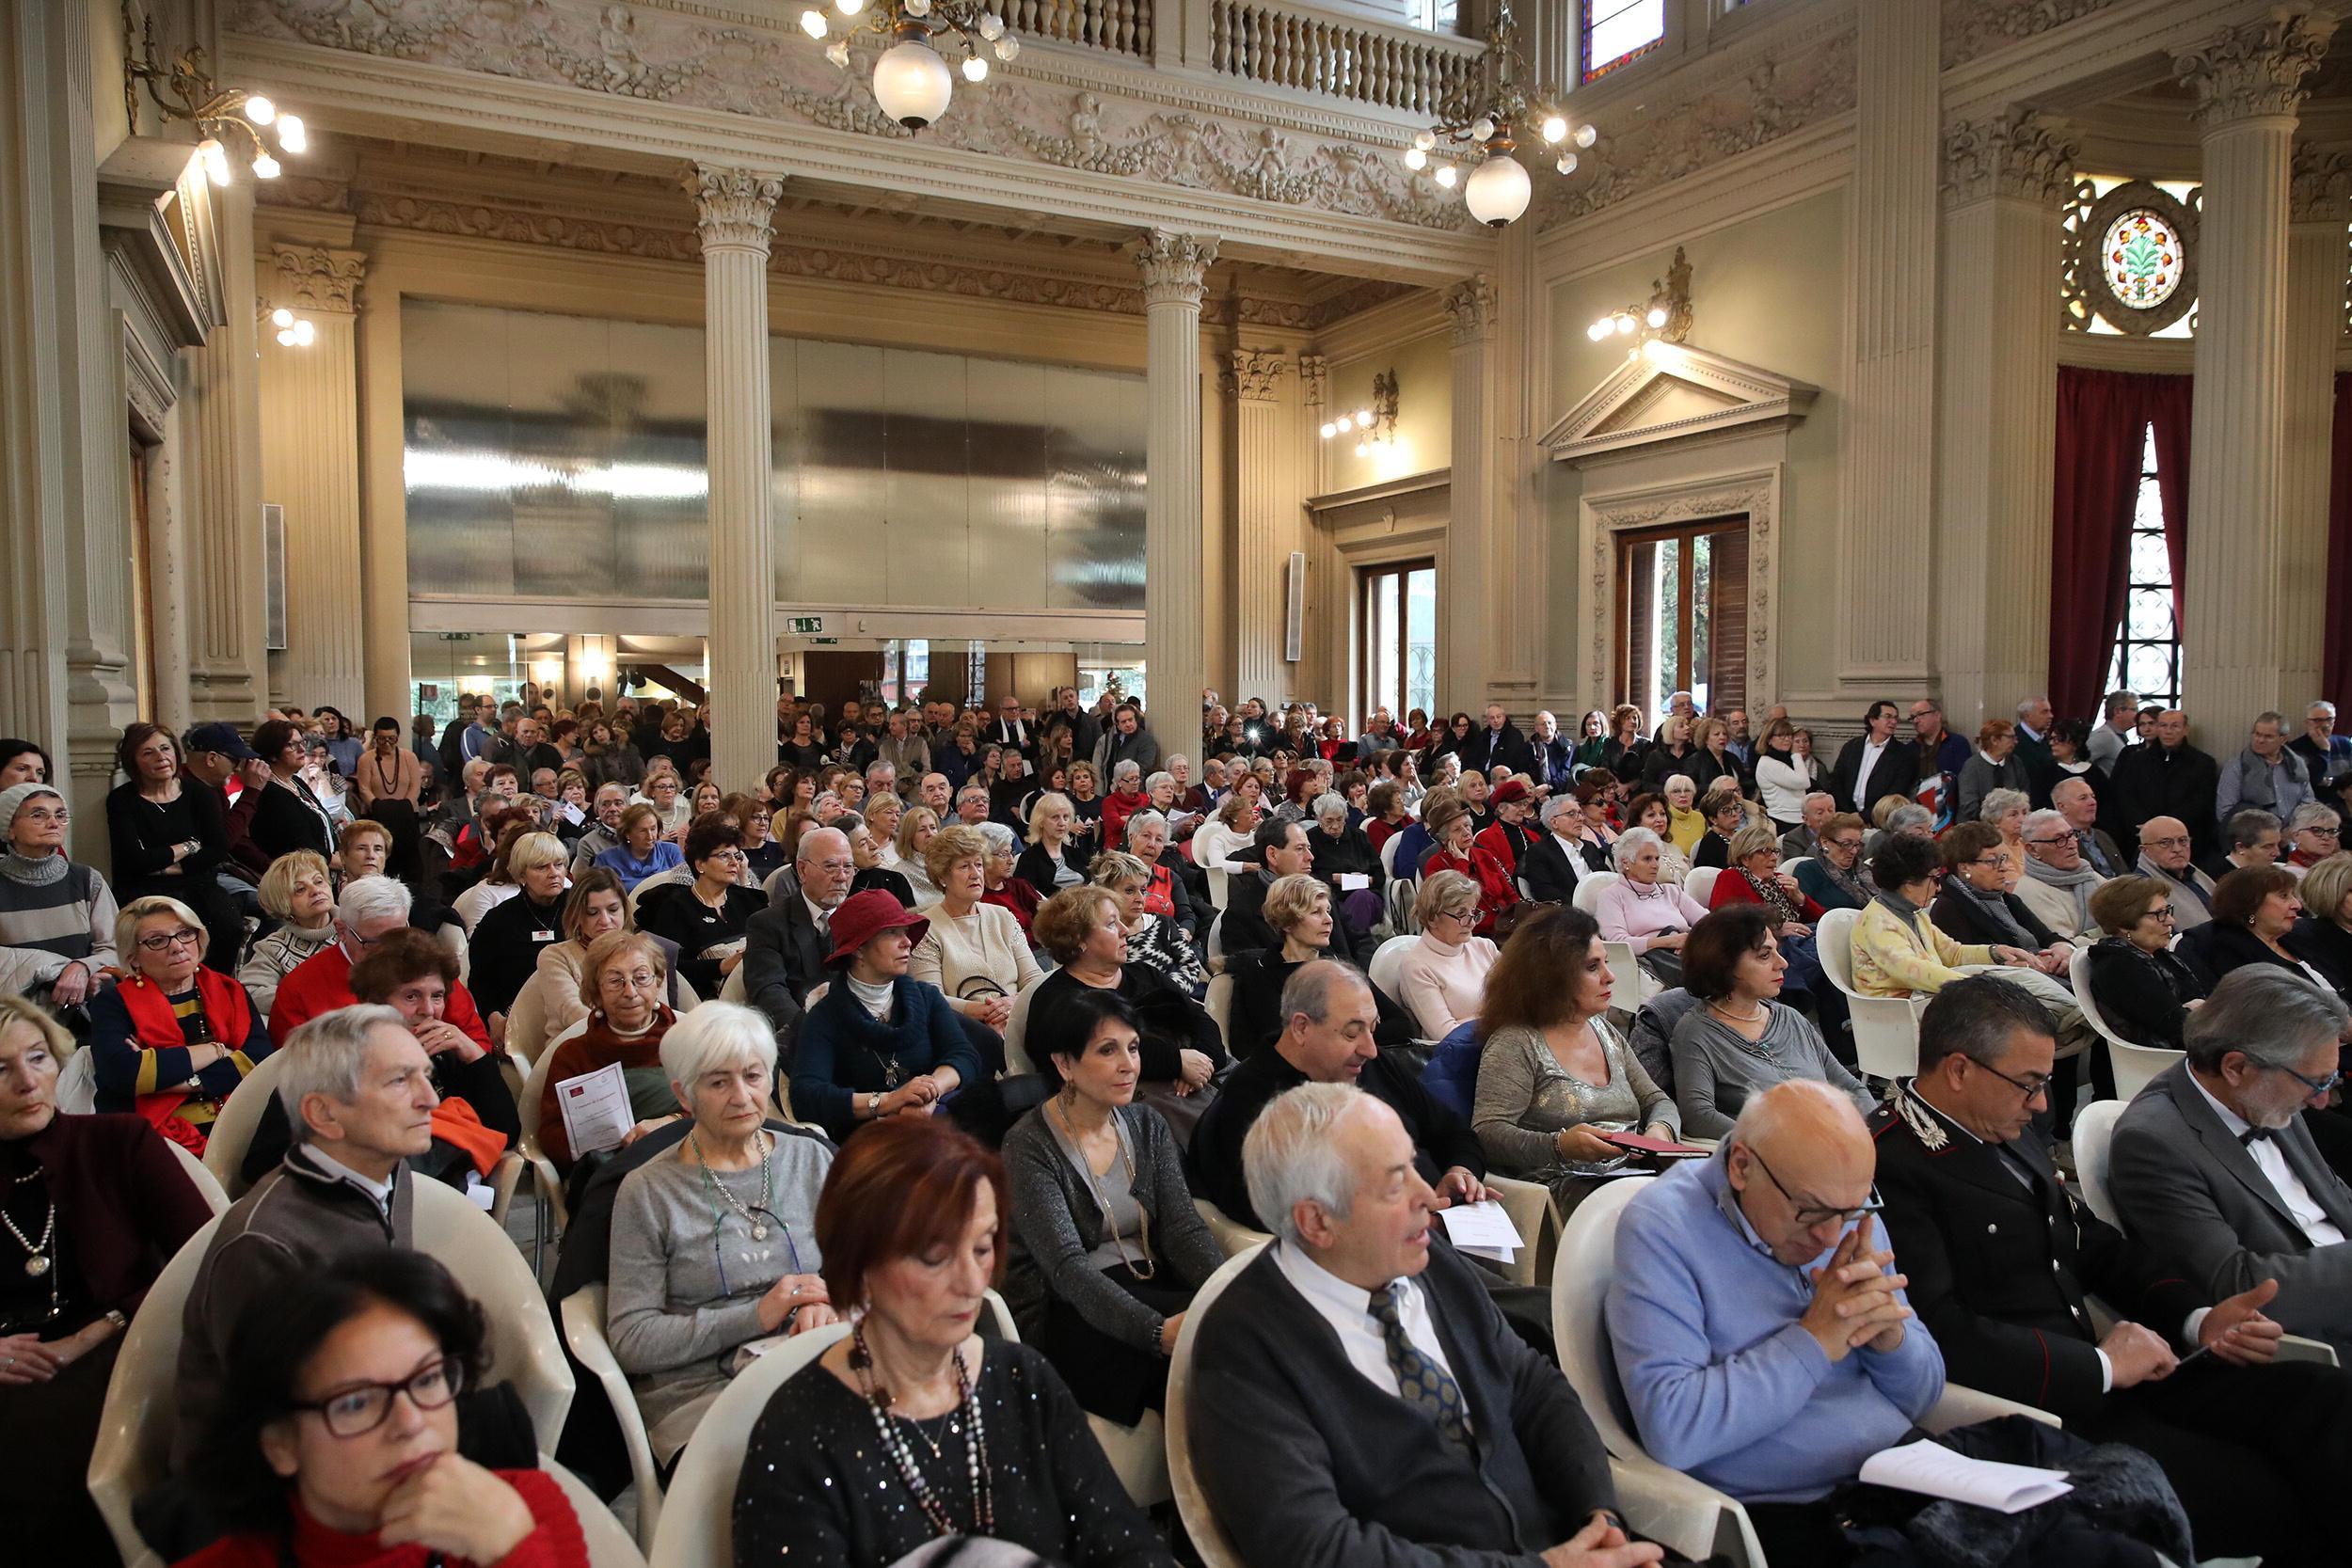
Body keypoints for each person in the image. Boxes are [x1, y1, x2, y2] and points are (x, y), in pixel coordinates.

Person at [1870, 975, 2352, 1568]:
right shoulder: (1892, 1165)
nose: (2043, 1103)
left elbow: (2094, 1246)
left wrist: (2197, 1318)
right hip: (2044, 1404)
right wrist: (2099, 1365)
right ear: (1960, 1070)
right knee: (2276, 1495)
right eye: (2029, 1085)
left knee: (2322, 1398)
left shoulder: (2005, 1127)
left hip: (2117, 1373)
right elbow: (1941, 1330)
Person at [1610, 1080, 2188, 1568]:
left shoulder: (1846, 1210)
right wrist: (1815, 1339)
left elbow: (1922, 1395)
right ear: (1741, 1167)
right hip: (1799, 1507)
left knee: (2121, 1550)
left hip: (1915, 1471)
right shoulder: (1663, 1229)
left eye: (1853, 1211)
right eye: (1811, 1213)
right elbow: (1675, 1429)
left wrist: (1891, 1342)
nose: (1830, 1237)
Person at [1191, 1083, 1655, 1568]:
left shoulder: (1429, 1264)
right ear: (1317, 1222)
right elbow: (1318, 1549)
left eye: (1414, 1165)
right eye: (1395, 1183)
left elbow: (1532, 1388)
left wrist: (1600, 1517)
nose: (1428, 1197)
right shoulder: (1242, 1350)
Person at [732, 1115, 1172, 1567]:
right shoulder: (799, 1439)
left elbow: (1123, 1542)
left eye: (982, 1248)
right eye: (935, 1257)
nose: (970, 1283)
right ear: (859, 1264)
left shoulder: (1023, 1381)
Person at [178, 1249, 587, 1568]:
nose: (410, 1423)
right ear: (280, 1443)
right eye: (356, 1402)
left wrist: (510, 1551)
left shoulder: (524, 1512)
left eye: (427, 1379)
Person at [172, 1006, 440, 1473]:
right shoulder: (263, 1244)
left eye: (426, 1075)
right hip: (263, 1486)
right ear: (324, 1113)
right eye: (400, 1081)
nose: (429, 1099)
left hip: (370, 1419)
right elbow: (279, 1430)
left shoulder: (388, 1169)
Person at [0, 995, 214, 1564]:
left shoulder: (119, 1142)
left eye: (39, 1057)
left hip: (122, 1348)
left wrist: (90, 1336)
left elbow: (207, 1260)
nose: (28, 1081)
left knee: (39, 1447)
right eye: (1, 1068)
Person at [604, 1003, 835, 1465]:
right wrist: (758, 1315)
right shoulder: (648, 1192)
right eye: (718, 1082)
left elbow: (863, 1271)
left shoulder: (810, 1160)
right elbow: (631, 1338)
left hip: (814, 1364)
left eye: (753, 1076)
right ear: (684, 1095)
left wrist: (830, 1301)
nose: (742, 1097)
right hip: (701, 1391)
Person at [2107, 969, 2352, 1362]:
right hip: (2310, 1339)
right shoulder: (2153, 1142)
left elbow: (2333, 1198)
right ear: (2236, 1067)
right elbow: (2235, 1285)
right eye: (2317, 1083)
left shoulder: (2270, 1087)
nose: (2322, 1100)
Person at [1001, 988, 1221, 1425]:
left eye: (1134, 1047)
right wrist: (1156, 1333)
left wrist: (1223, 1293)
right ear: (1064, 1063)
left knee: (1245, 1338)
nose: (1129, 1064)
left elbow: (1183, 1229)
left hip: (1148, 1282)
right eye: (1108, 1050)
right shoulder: (1028, 1145)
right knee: (1199, 1372)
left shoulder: (1146, 1124)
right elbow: (1065, 1268)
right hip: (1066, 1312)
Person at [1189, 960, 1489, 1231]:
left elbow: (1453, 1131)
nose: (1370, 1048)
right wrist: (1405, 1216)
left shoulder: (1373, 1065)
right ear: (1301, 1027)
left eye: (1373, 1029)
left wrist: (1461, 1171)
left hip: (1445, 1234)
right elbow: (1274, 1213)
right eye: (1351, 1033)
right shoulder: (1251, 1102)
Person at [1471, 904, 1678, 1214]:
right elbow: (1487, 1132)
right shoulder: (1516, 1042)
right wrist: (1560, 1145)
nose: (1610, 977)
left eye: (1606, 963)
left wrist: (1659, 1132)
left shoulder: (1603, 1029)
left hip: (1631, 1179)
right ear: (1552, 976)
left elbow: (1656, 1100)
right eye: (1592, 967)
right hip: (1562, 1189)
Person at [788, 890, 981, 1145]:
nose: (907, 942)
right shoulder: (825, 1016)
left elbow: (964, 1055)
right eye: (892, 933)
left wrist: (928, 1094)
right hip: (871, 1145)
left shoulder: (926, 997)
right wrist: (889, 1101)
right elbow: (807, 1096)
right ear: (858, 949)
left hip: (937, 1127)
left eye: (905, 932)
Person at [86, 895, 273, 1153]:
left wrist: (163, 1073)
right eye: (157, 941)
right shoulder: (113, 1002)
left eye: (185, 933)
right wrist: (216, 1051)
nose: (177, 947)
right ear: (134, 958)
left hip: (236, 1125)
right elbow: (124, 1074)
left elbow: (259, 1062)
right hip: (150, 1141)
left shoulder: (231, 991)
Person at [1670, 904, 1867, 1138]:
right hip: (1778, 1161)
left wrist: (1871, 1132)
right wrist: (1777, 1144)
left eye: (1777, 950)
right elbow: (1698, 1116)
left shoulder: (1790, 1018)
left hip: (1840, 1143)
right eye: (1765, 956)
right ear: (1725, 966)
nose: (1782, 963)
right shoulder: (1696, 1033)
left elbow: (1853, 1087)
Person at [1028, 885, 1224, 1101]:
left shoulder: (1145, 973)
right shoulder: (1057, 1001)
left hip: (1198, 1079)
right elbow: (1099, 1059)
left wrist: (1201, 1062)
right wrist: (1177, 1063)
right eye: (1112, 924)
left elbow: (1201, 1019)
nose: (1125, 930)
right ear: (1078, 940)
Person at [269, 878, 494, 1044]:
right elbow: (292, 1075)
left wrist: (451, 1041)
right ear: (341, 931)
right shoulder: (299, 989)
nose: (392, 952)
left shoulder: (430, 968)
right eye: (374, 943)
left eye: (400, 936)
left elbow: (478, 1044)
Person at [533, 931, 682, 1175]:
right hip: (610, 1180)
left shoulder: (690, 1045)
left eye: (641, 977)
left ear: (658, 981)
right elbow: (551, 1139)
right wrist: (601, 1136)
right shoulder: (572, 1055)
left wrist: (672, 1122)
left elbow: (719, 1114)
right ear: (595, 992)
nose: (630, 992)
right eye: (615, 981)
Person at [107, 722, 240, 973]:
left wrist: (164, 864)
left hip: (198, 884)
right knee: (159, 937)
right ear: (133, 761)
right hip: (143, 890)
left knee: (227, 926)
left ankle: (213, 989)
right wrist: (190, 846)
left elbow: (217, 849)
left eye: (165, 748)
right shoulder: (122, 799)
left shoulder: (199, 794)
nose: (161, 757)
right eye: (148, 752)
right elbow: (133, 860)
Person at [912, 823, 1043, 1035]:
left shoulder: (1003, 916)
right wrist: (982, 1011)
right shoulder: (924, 927)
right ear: (942, 877)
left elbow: (1034, 979)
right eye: (964, 867)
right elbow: (930, 997)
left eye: (979, 865)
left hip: (1019, 1020)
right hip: (963, 1030)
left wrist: (1012, 1003)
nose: (975, 874)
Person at [0, 781, 118, 1010]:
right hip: (15, 1018)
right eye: (38, 815)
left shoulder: (86, 879)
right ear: (9, 828)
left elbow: (115, 947)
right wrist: (61, 970)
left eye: (61, 815)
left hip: (84, 1011)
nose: (53, 823)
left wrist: (85, 968)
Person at [741, 824, 855, 1053]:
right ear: (802, 871)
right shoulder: (767, 924)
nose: (842, 877)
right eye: (831, 867)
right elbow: (769, 991)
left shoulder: (862, 918)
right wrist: (812, 1034)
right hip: (800, 1039)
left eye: (849, 867)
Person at [641, 814, 762, 1002]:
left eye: (736, 856)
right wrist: (721, 966)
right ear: (700, 864)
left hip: (758, 987)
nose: (733, 863)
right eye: (723, 855)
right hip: (703, 999)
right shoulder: (676, 907)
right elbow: (669, 967)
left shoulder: (746, 900)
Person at [462, 831, 570, 1036]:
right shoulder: (498, 921)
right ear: (521, 875)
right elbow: (480, 980)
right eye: (541, 867)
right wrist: (493, 1017)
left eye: (559, 864)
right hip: (520, 1018)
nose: (554, 873)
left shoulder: (581, 908)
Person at [2082, 873, 2207, 1049]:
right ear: (2125, 924)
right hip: (2160, 1060)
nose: (2171, 920)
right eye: (2159, 914)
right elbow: (2178, 1026)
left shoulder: (2158, 955)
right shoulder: (2119, 966)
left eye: (2168, 911)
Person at [2181, 863, 2341, 996]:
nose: (2297, 905)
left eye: (2293, 896)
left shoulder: (2295, 939)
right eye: (2284, 896)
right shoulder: (2230, 951)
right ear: (2251, 904)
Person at [1392, 871, 1500, 1040]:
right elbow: (1447, 1035)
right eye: (1461, 914)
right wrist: (1498, 1016)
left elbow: (1519, 998)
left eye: (1473, 912)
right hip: (1465, 1057)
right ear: (1432, 918)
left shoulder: (1485, 947)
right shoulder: (1416, 966)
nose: (1471, 922)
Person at [1596, 828, 1709, 986]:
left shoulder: (1671, 890)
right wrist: (1667, 942)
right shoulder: (1611, 896)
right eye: (1647, 859)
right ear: (1625, 863)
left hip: (1687, 955)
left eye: (1657, 858)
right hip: (1647, 966)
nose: (1656, 865)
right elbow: (1618, 944)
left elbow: (1708, 921)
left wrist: (1689, 940)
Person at [2109, 709, 2222, 863]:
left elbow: (2200, 801)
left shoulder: (2202, 763)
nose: (2168, 731)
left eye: (2174, 726)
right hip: (2140, 834)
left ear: (2185, 729)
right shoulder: (2136, 760)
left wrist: (2167, 828)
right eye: (2163, 725)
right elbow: (2126, 795)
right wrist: (2147, 827)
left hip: (2184, 837)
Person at [1092, 848, 1208, 997]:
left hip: (1179, 1001)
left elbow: (1191, 964)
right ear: (1106, 893)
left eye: (1143, 890)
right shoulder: (1103, 937)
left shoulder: (1164, 923)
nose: (1140, 899)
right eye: (1129, 891)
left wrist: (1167, 994)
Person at [239, 851, 340, 1022]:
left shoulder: (359, 926)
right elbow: (250, 991)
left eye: (319, 881)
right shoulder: (273, 947)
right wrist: (309, 997)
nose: (315, 891)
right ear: (283, 903)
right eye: (300, 889)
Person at [1420, 795, 1518, 938]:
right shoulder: (1436, 865)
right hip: (1472, 932)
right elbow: (1455, 902)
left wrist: (1519, 919)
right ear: (1444, 838)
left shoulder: (1483, 855)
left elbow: (1510, 894)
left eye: (1466, 826)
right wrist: (1462, 863)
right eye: (1457, 830)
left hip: (1505, 924)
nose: (1466, 832)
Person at [2013, 806, 2108, 942]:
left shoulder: (2086, 873)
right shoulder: (2030, 891)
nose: (2071, 845)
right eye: (2059, 840)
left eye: (2071, 835)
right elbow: (2065, 946)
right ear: (2033, 850)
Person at [2218, 710, 2315, 829]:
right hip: (2254, 838)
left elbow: (2308, 803)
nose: (2260, 740)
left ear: (2283, 739)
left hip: (2293, 836)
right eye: (2257, 734)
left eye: (2268, 736)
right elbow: (2225, 813)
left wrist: (2292, 832)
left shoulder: (2297, 765)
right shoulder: (2236, 766)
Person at [1829, 702, 1919, 817]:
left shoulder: (1903, 754)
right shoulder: (1852, 747)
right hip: (1846, 815)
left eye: (1896, 718)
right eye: (1888, 717)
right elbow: (1837, 780)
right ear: (1872, 721)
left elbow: (1896, 792)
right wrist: (1849, 814)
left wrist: (1864, 816)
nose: (1894, 722)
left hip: (1879, 818)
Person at [2136, 814, 2217, 929]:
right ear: (2144, 850)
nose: (2177, 849)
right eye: (2165, 843)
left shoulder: (2197, 876)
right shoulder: (2141, 889)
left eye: (2183, 841)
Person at [591, 802, 682, 895]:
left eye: (653, 829)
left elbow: (685, 887)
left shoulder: (671, 852)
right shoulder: (605, 860)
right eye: (642, 831)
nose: (650, 837)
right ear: (627, 833)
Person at [1953, 720, 2029, 828]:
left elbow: (2025, 793)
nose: (2016, 741)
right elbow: (1969, 805)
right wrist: (1996, 823)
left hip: (2012, 825)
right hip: (1976, 828)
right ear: (1994, 740)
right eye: (2011, 737)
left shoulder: (2015, 762)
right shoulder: (1972, 766)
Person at [1792, 811, 1870, 911]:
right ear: (1824, 842)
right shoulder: (1808, 871)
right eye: (1847, 844)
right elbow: (1805, 913)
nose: (1854, 851)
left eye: (1857, 844)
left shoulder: (1867, 871)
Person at [2054, 775, 2128, 877]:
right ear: (2062, 807)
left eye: (2093, 797)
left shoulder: (2102, 836)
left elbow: (2125, 873)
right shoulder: (2059, 843)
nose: (2093, 802)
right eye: (2083, 798)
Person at [1688, 785, 1747, 872]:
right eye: (1726, 811)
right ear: (1713, 819)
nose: (1734, 814)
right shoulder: (1709, 844)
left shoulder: (1743, 837)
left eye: (1735, 808)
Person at [2088, 689, 2140, 771]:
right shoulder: (2104, 736)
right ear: (2118, 711)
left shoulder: (2116, 735)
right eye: (2134, 710)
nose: (2138, 714)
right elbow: (2077, 762)